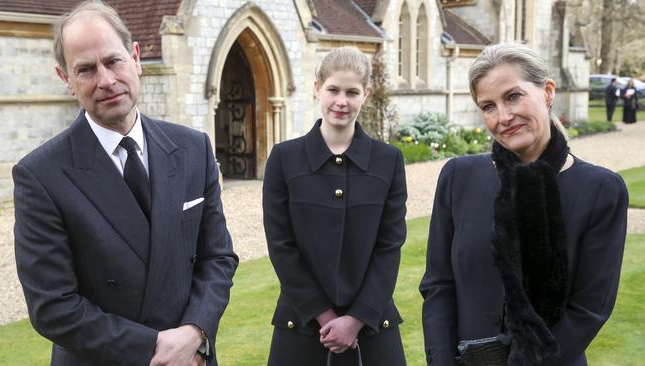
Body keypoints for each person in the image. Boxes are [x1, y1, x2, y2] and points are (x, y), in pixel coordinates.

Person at [13, 2, 238, 365]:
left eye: (113, 61)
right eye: (85, 69)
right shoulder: (40, 175)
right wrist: (157, 349)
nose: (105, 80)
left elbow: (218, 257)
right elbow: (53, 306)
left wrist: (195, 332)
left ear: (135, 57)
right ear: (66, 79)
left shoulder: (193, 148)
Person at [419, 43, 628, 366]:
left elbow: (589, 309)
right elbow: (438, 285)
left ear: (547, 92)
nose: (503, 116)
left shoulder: (601, 190)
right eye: (488, 106)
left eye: (513, 96)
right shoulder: (458, 176)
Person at [263, 47, 408, 366]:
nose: (341, 101)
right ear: (317, 88)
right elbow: (281, 246)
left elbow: (389, 246)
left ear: (366, 94)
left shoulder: (389, 161)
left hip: (372, 327)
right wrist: (327, 317)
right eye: (333, 90)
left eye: (352, 92)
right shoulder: (284, 159)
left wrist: (355, 319)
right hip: (301, 327)